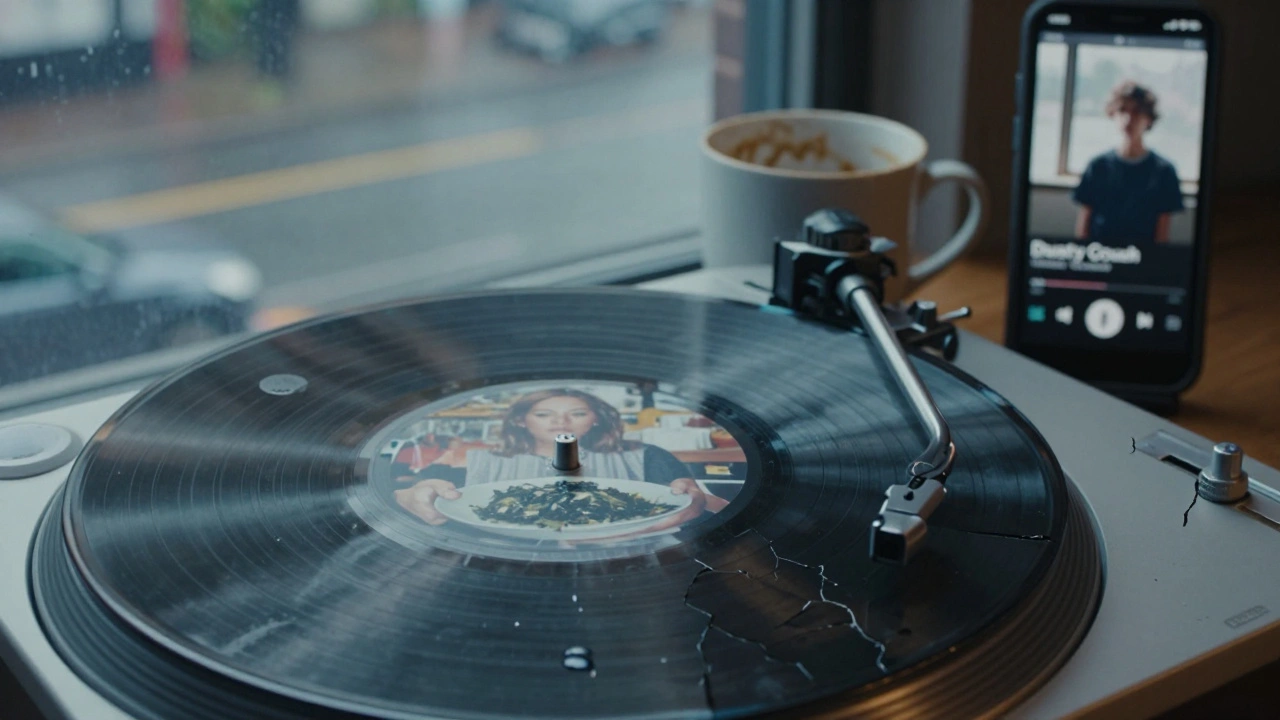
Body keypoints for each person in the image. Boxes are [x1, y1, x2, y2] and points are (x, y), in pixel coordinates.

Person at [393, 388, 728, 534]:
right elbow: (400, 496)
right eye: (544, 414)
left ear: (596, 419)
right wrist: (411, 497)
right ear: (522, 421)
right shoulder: (470, 460)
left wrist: (695, 499)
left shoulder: (648, 457)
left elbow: (716, 506)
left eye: (577, 413)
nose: (561, 423)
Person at [1073, 80, 1185, 243]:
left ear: (1149, 118)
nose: (1128, 118)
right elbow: (1083, 228)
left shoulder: (1164, 171)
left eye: (1136, 111)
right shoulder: (1098, 166)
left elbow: (1161, 236)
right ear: (1113, 113)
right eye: (1122, 110)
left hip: (1143, 258)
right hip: (1101, 255)